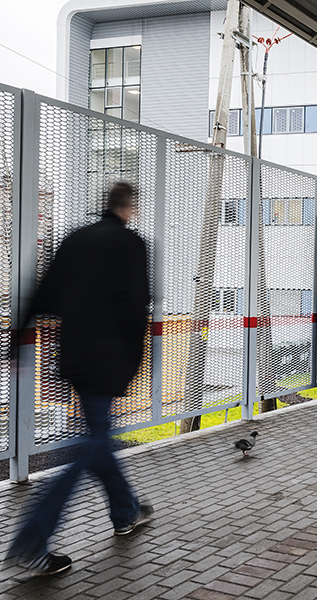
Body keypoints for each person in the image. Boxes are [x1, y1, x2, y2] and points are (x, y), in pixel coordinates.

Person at [6, 181, 153, 577]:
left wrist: (17, 342)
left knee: (98, 440)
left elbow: (41, 293)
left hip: (74, 360)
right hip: (109, 363)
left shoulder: (75, 239)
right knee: (89, 447)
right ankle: (33, 541)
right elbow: (136, 307)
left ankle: (126, 512)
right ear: (130, 208)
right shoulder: (131, 244)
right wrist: (137, 365)